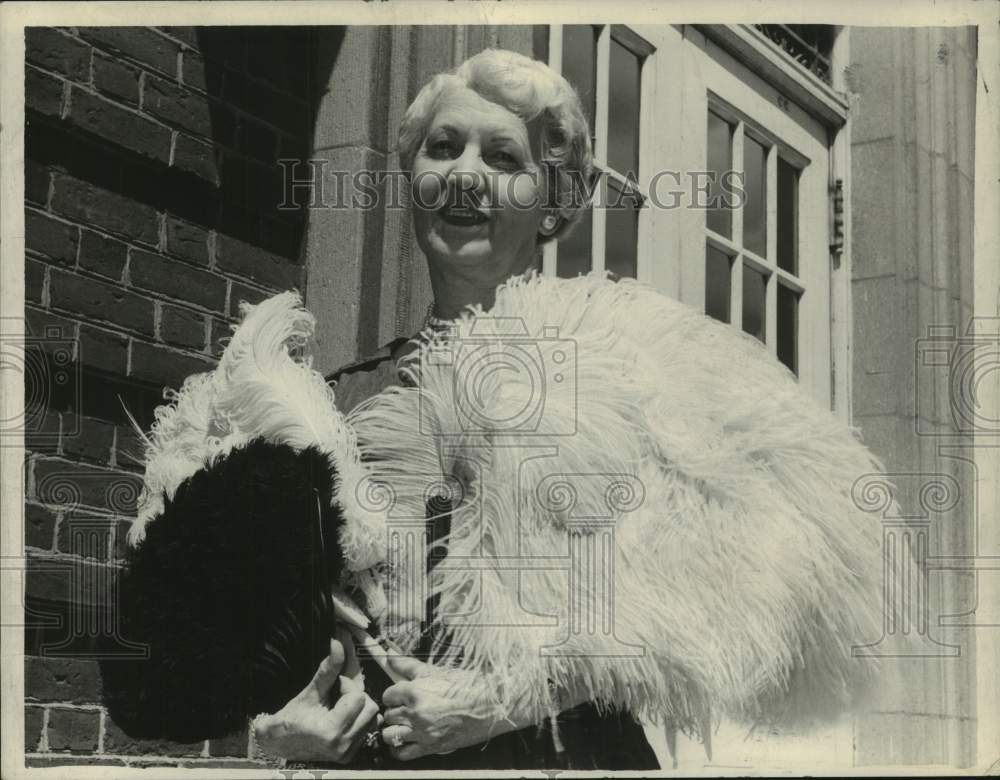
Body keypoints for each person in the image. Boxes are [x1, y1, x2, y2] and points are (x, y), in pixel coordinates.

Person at [252, 48, 659, 770]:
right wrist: (275, 729)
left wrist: (500, 701)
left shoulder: (622, 375)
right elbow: (269, 634)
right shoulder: (338, 402)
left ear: (556, 202)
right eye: (444, 148)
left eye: (502, 157)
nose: (465, 175)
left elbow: (690, 607)